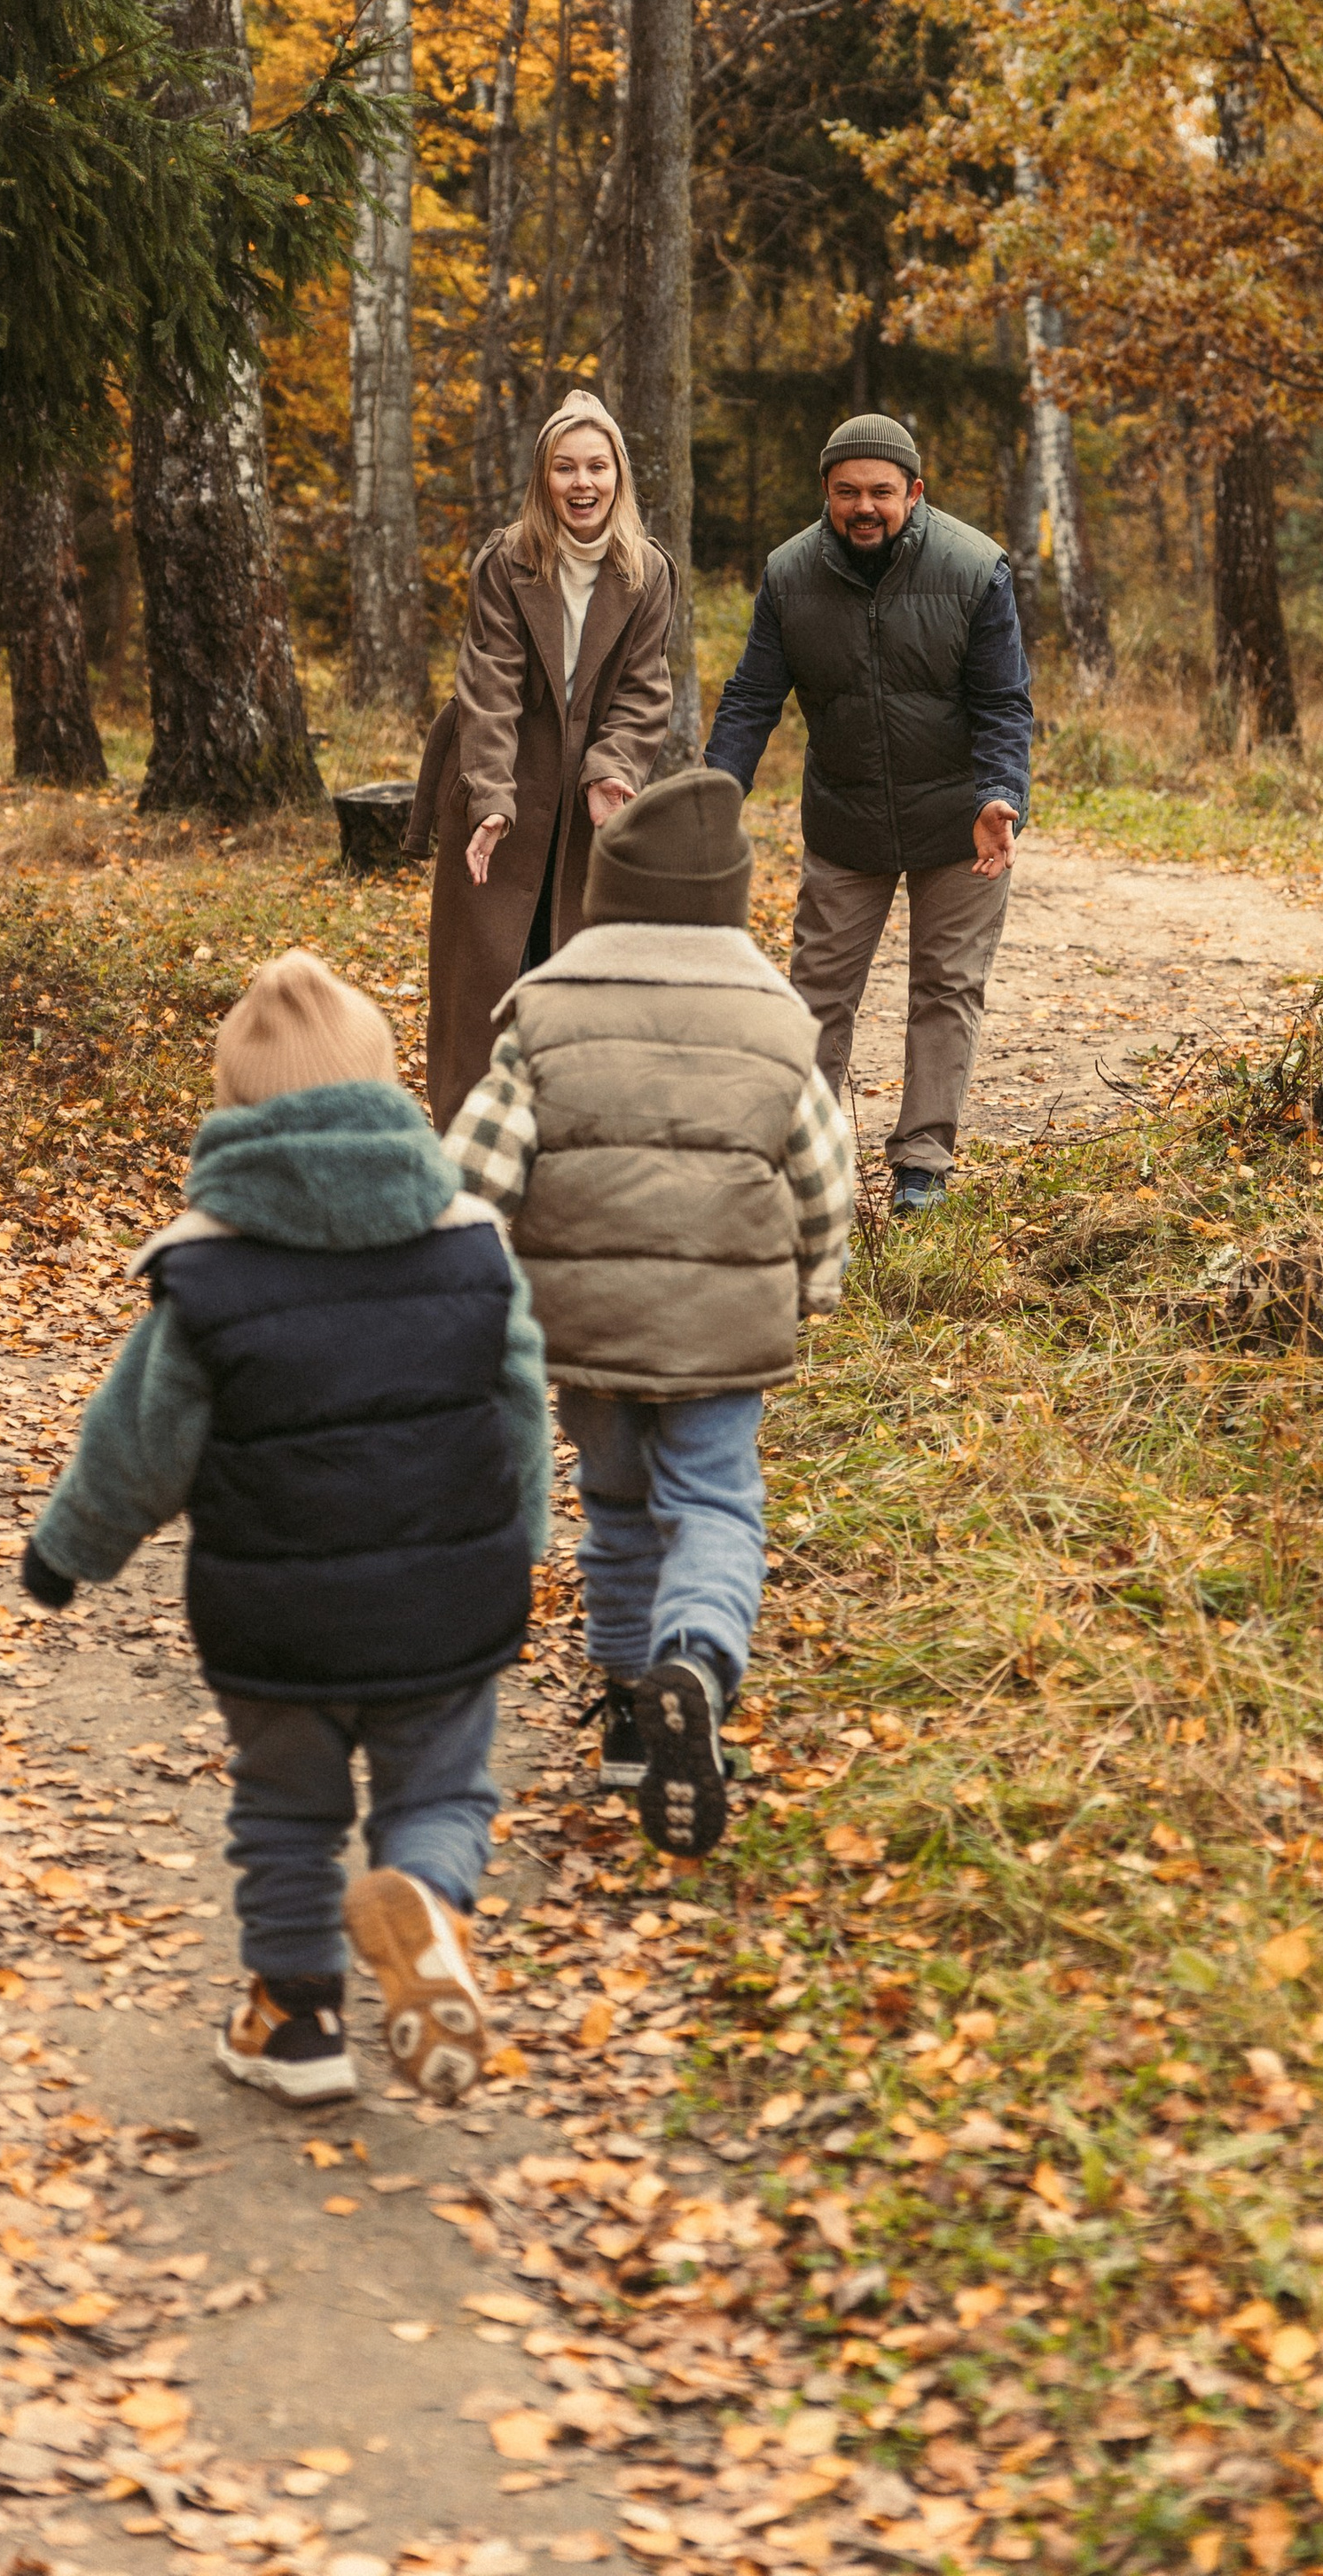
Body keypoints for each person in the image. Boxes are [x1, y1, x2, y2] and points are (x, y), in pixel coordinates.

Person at [18, 950, 551, 2110]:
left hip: (280, 1624)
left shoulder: (208, 1273)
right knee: (443, 1792)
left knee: (286, 1811)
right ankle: (426, 1908)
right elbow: (519, 1400)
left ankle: (296, 2021)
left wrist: (69, 1554)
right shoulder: (469, 1242)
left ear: (233, 1114)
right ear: (390, 1094)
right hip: (446, 1606)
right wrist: (528, 1541)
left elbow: (138, 1441)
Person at [442, 768, 853, 1860]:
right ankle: (698, 1662)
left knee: (617, 1509)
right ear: (730, 900)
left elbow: (477, 1166)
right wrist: (814, 1281)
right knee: (714, 1502)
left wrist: (457, 1295)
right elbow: (823, 1173)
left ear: (608, 898)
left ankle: (630, 1713)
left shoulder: (547, 1011)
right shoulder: (778, 1023)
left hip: (587, 1327)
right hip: (723, 1333)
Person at [703, 412, 1033, 1216]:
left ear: (913, 493)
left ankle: (922, 1165)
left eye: (882, 492)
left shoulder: (975, 567)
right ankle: (804, 1163)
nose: (865, 507)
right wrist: (713, 795)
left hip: (960, 822)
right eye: (847, 491)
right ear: (826, 493)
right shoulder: (789, 575)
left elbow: (1003, 702)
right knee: (817, 993)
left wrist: (1000, 795)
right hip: (845, 820)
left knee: (946, 989)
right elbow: (752, 696)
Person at [409, 392, 676, 1127]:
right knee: (485, 971)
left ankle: (567, 1131)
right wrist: (489, 795)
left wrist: (614, 766)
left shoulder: (646, 572)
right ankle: (469, 1136)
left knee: (575, 962)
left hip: (590, 798)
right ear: (543, 478)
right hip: (505, 779)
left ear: (618, 476)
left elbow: (645, 688)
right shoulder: (507, 560)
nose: (581, 483)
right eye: (565, 468)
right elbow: (487, 684)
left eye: (596, 466)